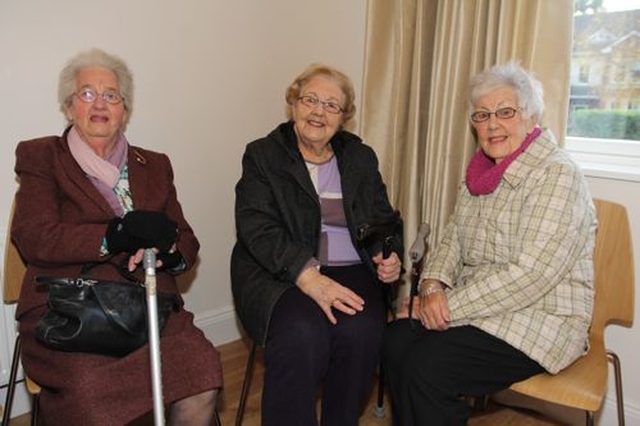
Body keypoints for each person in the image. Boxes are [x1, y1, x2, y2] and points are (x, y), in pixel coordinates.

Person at [11, 48, 222, 425]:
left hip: (149, 306)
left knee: (202, 371)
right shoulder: (43, 157)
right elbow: (33, 236)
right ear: (69, 106)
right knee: (90, 390)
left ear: (125, 109)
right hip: (71, 309)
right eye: (87, 93)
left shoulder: (154, 165)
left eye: (111, 95)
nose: (99, 104)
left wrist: (168, 250)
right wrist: (114, 235)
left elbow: (187, 240)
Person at [382, 61, 598, 426]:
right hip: (487, 308)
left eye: (506, 112)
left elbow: (530, 276)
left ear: (531, 117)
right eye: (482, 115)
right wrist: (432, 285)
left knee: (428, 367)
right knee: (395, 341)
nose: (492, 124)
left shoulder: (557, 174)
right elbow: (453, 237)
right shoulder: (482, 170)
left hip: (541, 318)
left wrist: (438, 305)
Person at [231, 63, 404, 426]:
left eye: (331, 105)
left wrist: (388, 254)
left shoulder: (359, 157)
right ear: (293, 103)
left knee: (360, 333)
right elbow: (257, 227)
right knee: (301, 334)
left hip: (351, 266)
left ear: (344, 118)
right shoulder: (263, 155)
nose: (318, 112)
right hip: (280, 271)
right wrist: (307, 275)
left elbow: (382, 220)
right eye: (310, 100)